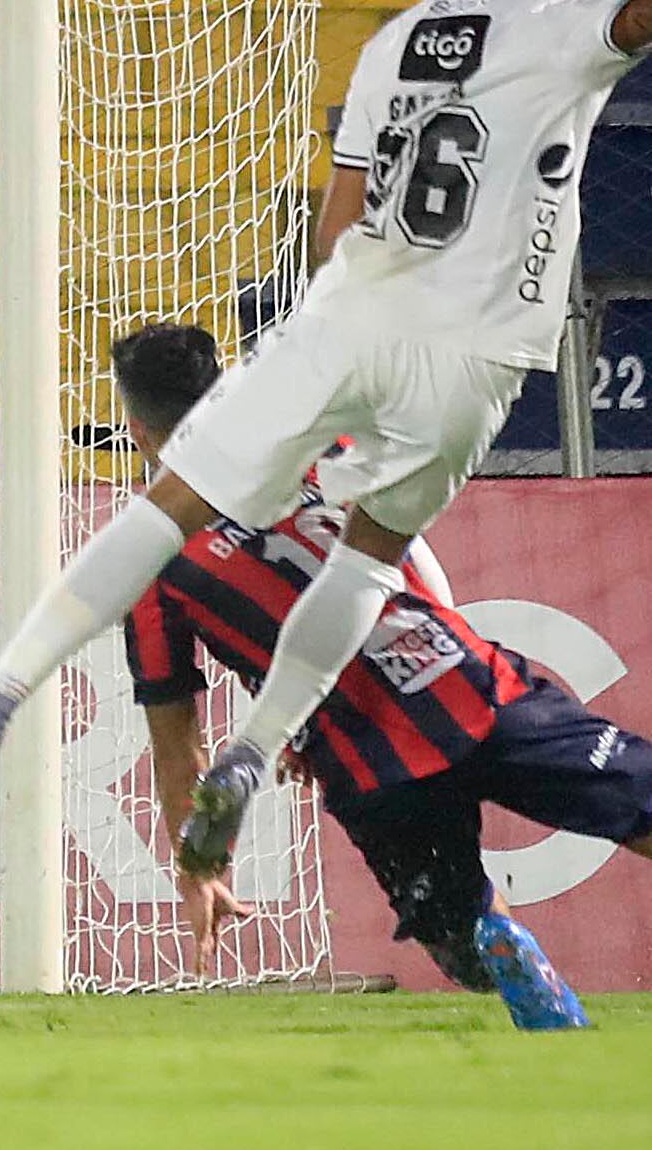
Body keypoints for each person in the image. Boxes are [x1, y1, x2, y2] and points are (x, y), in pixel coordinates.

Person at [0, 0, 652, 884]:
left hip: (349, 310)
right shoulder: (568, 20)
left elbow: (333, 225)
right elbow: (632, 20)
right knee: (367, 557)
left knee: (169, 503)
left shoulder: (391, 45)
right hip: (469, 350)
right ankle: (248, 749)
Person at [107, 321, 638, 1030]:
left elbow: (179, 748)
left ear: (139, 431)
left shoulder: (148, 561)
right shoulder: (326, 451)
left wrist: (198, 866)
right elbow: (410, 552)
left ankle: (501, 945)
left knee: (462, 941)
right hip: (460, 680)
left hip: (364, 757)